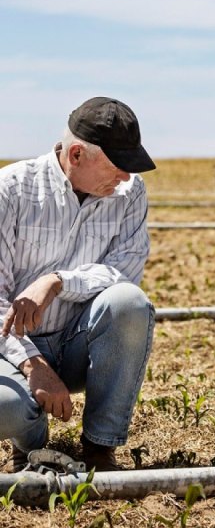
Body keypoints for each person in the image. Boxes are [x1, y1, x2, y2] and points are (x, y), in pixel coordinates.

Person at [0, 97, 156, 472]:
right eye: (118, 165)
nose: (125, 176)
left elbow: (124, 272)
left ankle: (100, 447)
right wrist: (32, 363)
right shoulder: (11, 189)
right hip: (9, 349)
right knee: (5, 408)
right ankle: (30, 442)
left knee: (129, 304)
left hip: (77, 342)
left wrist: (57, 281)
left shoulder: (130, 192)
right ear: (76, 154)